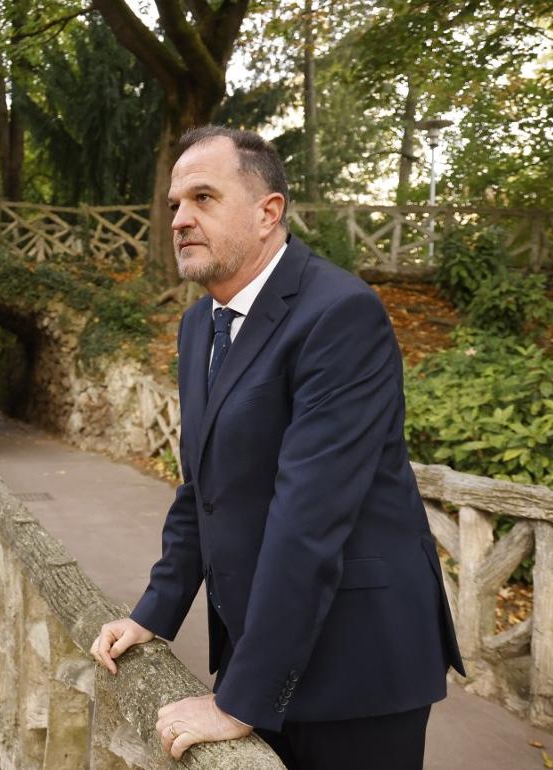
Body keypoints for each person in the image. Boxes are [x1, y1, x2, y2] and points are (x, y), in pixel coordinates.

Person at [89, 126, 465, 770]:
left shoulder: (340, 314)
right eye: (174, 204)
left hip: (359, 662)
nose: (180, 219)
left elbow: (309, 518)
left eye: (203, 197)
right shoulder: (198, 323)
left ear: (269, 213)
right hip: (259, 645)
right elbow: (201, 489)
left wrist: (240, 701)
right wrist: (155, 612)